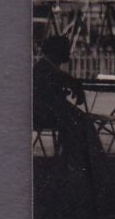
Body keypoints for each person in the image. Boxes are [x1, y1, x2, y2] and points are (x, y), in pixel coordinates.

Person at [33, 34, 95, 164]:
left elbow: (61, 78)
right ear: (56, 51)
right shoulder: (45, 68)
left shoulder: (45, 66)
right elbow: (61, 79)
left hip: (46, 112)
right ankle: (86, 163)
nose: (68, 52)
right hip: (43, 115)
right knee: (83, 122)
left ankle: (74, 160)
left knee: (80, 120)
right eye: (65, 49)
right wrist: (74, 87)